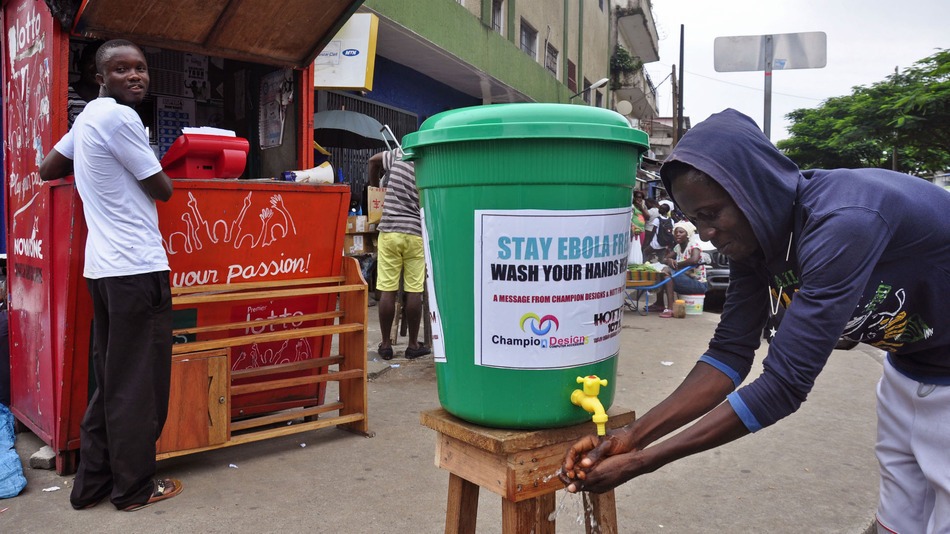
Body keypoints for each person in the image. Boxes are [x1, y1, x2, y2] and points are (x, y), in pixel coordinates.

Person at [560, 108, 950, 533]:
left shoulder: (844, 222)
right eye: (696, 219)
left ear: (754, 190)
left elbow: (784, 385)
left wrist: (644, 461)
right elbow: (729, 354)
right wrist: (631, 437)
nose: (705, 233)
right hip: (910, 369)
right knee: (899, 518)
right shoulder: (755, 241)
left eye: (712, 214)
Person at [39, 39, 182, 512]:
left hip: (103, 272)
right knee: (139, 385)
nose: (135, 76)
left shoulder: (88, 119)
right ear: (100, 78)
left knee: (111, 379)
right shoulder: (120, 119)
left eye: (140, 68)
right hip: (137, 269)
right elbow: (162, 188)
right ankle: (134, 489)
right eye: (121, 70)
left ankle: (91, 485)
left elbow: (48, 168)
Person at [367, 148, 430, 360]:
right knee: (414, 291)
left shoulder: (400, 153)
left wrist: (376, 189)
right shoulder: (430, 163)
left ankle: (386, 345)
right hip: (415, 232)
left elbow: (372, 161)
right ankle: (413, 345)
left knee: (387, 289)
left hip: (390, 230)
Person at [647, 220, 707, 318]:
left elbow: (694, 260)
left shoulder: (694, 246)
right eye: (675, 232)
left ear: (687, 234)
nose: (677, 234)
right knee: (663, 272)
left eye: (681, 232)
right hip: (685, 279)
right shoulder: (678, 247)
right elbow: (664, 259)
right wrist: (670, 260)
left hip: (698, 283)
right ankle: (660, 304)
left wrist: (677, 264)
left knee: (667, 273)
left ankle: (670, 309)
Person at [67, 42, 102, 129]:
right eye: (91, 62)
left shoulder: (114, 99)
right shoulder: (66, 96)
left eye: (102, 64)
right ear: (80, 65)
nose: (96, 68)